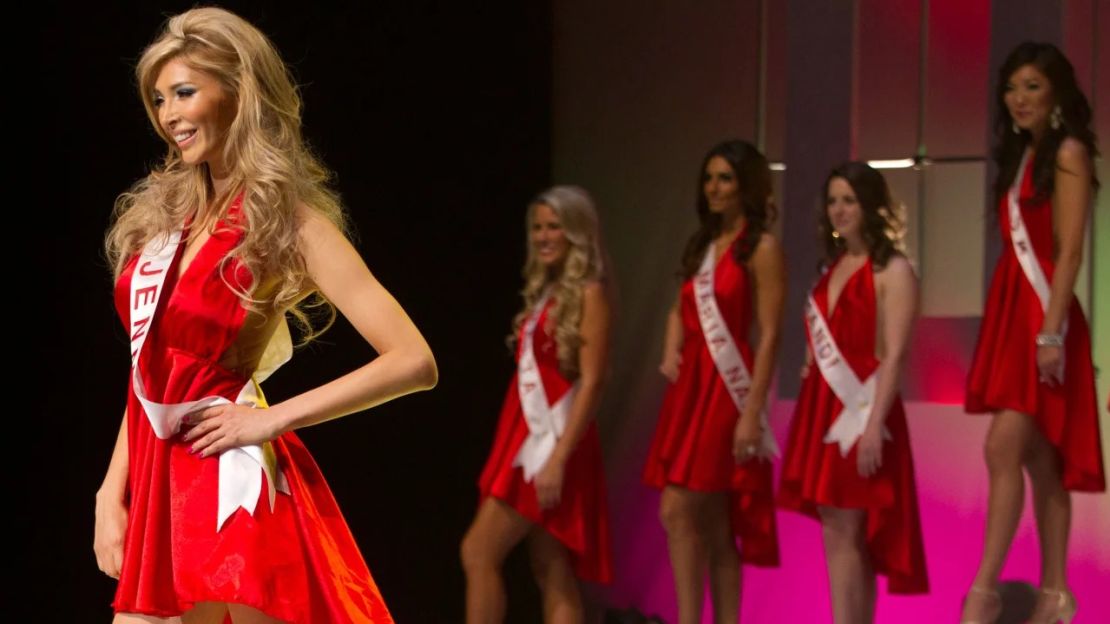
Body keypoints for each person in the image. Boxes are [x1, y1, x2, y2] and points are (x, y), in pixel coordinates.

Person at [93, 8, 437, 622]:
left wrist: (271, 419)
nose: (169, 114)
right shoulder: (166, 221)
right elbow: (149, 369)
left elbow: (413, 361)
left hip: (228, 483)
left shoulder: (291, 222)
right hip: (160, 480)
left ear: (238, 90)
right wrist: (111, 489)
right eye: (159, 98)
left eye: (185, 92)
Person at [962, 41, 1104, 624]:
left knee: (1003, 445)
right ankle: (1055, 593)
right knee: (1040, 459)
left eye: (1032, 87)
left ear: (1057, 95)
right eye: (1012, 88)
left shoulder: (1068, 152)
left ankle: (984, 590)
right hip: (1013, 313)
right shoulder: (1025, 156)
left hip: (1045, 319)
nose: (1018, 99)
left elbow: (1069, 251)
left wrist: (1049, 335)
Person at [778, 162, 928, 623]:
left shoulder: (894, 269)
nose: (839, 210)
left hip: (864, 412)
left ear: (871, 206)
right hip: (824, 409)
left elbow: (896, 354)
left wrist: (873, 426)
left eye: (849, 200)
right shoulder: (833, 267)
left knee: (848, 528)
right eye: (833, 201)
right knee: (838, 527)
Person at [642, 140, 785, 624]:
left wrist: (752, 412)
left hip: (728, 390)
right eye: (709, 178)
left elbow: (769, 335)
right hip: (691, 390)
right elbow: (678, 308)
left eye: (725, 178)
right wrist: (670, 345)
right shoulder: (703, 244)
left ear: (747, 185)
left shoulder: (761, 248)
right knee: (715, 524)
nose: (715, 188)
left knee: (676, 509)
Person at [460, 186, 613, 623]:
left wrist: (559, 458)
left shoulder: (590, 293)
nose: (544, 236)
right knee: (551, 567)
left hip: (551, 444)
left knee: (478, 551)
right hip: (530, 436)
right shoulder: (550, 291)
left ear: (576, 232)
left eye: (554, 227)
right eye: (538, 227)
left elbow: (594, 380)